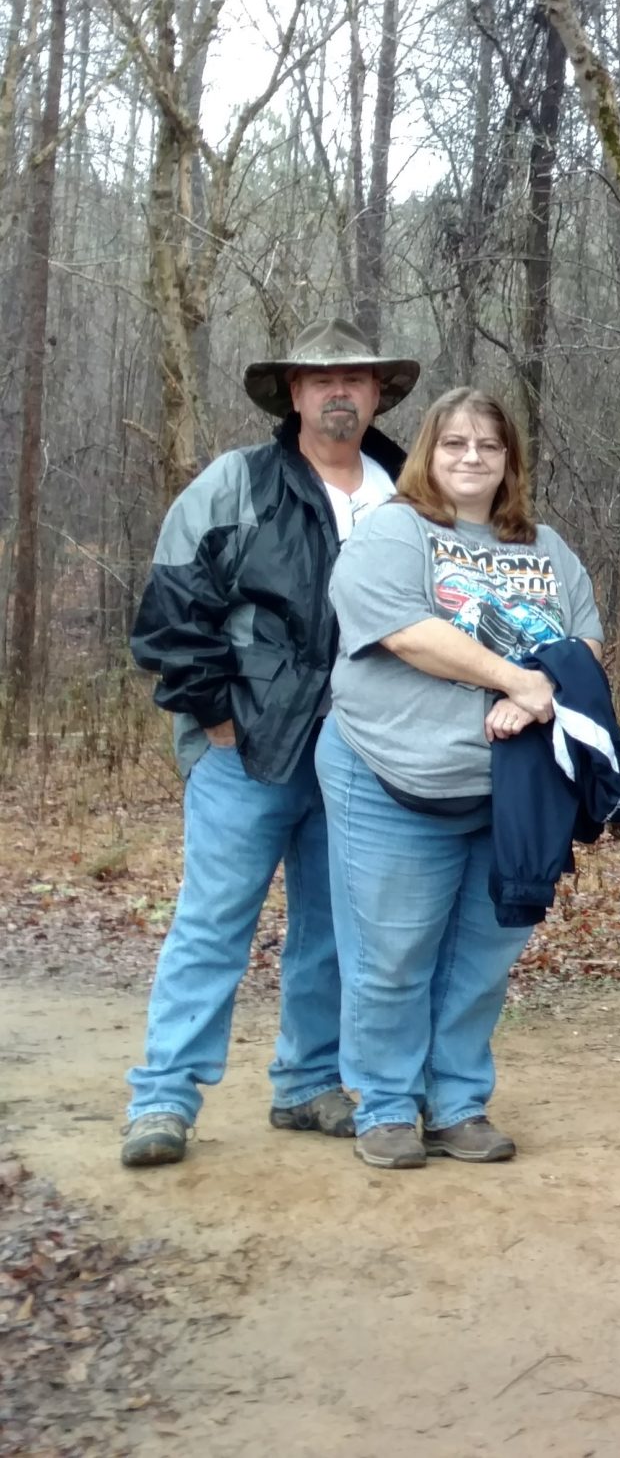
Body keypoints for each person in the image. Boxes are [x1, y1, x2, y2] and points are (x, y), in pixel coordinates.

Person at [121, 320, 415, 1169]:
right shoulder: (237, 483)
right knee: (213, 921)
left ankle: (308, 1081)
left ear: (378, 393)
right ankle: (163, 1096)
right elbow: (171, 609)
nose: (339, 392)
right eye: (321, 379)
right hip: (246, 749)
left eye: (354, 379)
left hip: (362, 755)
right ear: (294, 392)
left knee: (331, 927)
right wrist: (215, 710)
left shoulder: (407, 493)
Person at [318, 387, 604, 1169]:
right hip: (393, 773)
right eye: (454, 442)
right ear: (428, 453)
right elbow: (408, 634)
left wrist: (538, 693)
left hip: (511, 788)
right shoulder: (393, 531)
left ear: (510, 459)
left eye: (488, 444)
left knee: (483, 954)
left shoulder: (548, 547)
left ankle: (456, 1102)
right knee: (392, 952)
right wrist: (513, 678)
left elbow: (583, 645)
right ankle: (384, 1104)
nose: (472, 456)